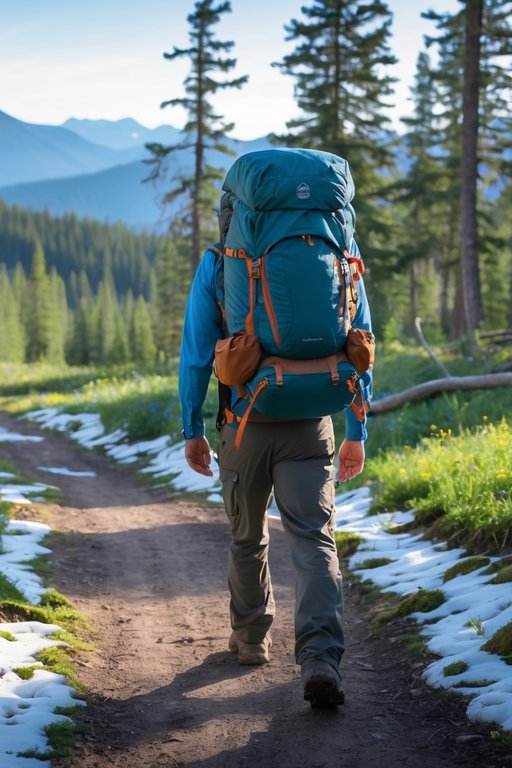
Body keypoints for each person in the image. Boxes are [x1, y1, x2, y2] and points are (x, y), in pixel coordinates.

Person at [178, 237, 373, 709]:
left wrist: (192, 426)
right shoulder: (338, 252)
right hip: (312, 426)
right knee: (314, 539)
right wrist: (356, 429)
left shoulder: (221, 262)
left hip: (245, 427)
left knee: (247, 536)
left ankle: (251, 639)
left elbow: (197, 352)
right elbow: (361, 342)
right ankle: (321, 659)